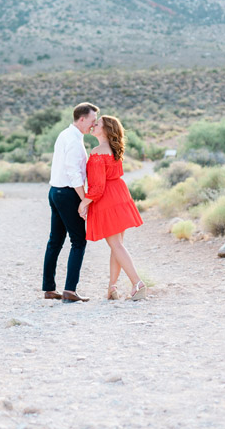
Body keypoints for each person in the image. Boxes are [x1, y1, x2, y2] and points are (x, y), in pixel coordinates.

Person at [80, 115, 146, 300]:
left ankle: (137, 283)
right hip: (119, 194)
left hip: (107, 198)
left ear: (106, 129)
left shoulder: (98, 151)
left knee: (115, 244)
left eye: (97, 123)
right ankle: (112, 288)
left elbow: (98, 187)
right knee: (117, 245)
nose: (93, 125)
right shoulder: (112, 149)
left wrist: (84, 203)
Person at [43, 102, 99, 303]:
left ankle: (49, 288)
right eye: (92, 121)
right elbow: (73, 173)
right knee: (79, 240)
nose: (93, 125)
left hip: (54, 191)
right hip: (67, 193)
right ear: (82, 119)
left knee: (55, 240)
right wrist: (84, 199)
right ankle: (70, 290)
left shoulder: (64, 135)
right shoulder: (74, 140)